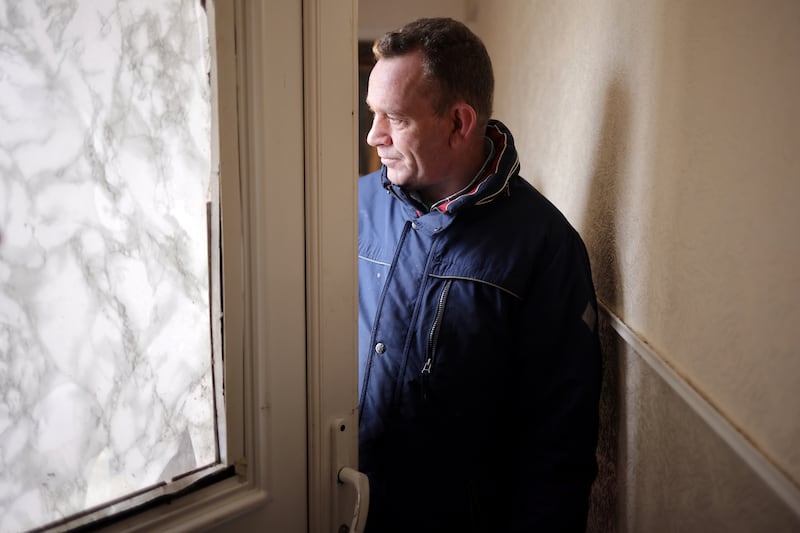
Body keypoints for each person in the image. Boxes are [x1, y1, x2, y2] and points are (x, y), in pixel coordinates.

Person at [358, 17, 602, 533]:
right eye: (372, 113)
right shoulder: (345, 207)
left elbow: (560, 441)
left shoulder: (546, 247)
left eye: (394, 118)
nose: (373, 134)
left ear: (459, 122)